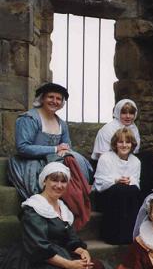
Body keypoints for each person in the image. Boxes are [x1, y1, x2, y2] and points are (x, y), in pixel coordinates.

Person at [8, 82, 93, 230]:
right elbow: (23, 147)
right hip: (30, 161)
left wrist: (63, 151)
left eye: (58, 99)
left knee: (72, 163)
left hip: (54, 160)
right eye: (51, 97)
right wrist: (54, 149)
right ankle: (49, 218)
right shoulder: (29, 118)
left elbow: (66, 145)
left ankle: (69, 215)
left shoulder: (61, 123)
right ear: (42, 98)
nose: (54, 101)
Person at [91, 98, 153, 197]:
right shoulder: (107, 129)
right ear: (117, 113)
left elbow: (133, 151)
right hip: (109, 164)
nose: (128, 116)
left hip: (126, 161)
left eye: (131, 113)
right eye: (124, 113)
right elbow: (102, 156)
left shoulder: (133, 128)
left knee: (148, 158)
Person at [93, 127, 142, 244]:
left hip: (126, 193)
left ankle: (130, 235)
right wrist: (116, 180)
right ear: (115, 144)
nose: (124, 145)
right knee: (119, 190)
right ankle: (112, 235)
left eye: (127, 142)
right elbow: (100, 181)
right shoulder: (105, 158)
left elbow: (136, 181)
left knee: (132, 191)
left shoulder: (136, 161)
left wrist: (129, 181)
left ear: (132, 144)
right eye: (121, 142)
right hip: (107, 194)